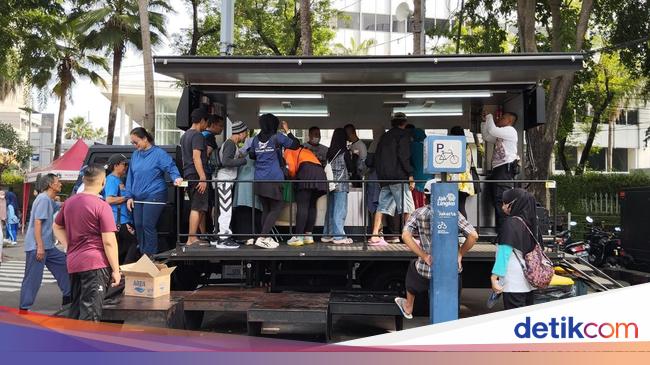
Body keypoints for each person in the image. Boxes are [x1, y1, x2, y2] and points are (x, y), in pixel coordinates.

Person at [394, 179, 479, 319]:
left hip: (427, 268)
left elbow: (405, 235)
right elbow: (473, 235)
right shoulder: (453, 214)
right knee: (452, 303)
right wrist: (459, 254)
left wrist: (424, 255)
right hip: (451, 268)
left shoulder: (418, 213)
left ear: (425, 196)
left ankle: (408, 306)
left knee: (412, 267)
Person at [53, 165, 120, 321]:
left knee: (76, 309)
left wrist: (68, 245)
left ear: (83, 180)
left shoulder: (69, 202)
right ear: (103, 182)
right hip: (95, 264)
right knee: (90, 313)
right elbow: (109, 241)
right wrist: (116, 270)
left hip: (74, 263)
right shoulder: (102, 206)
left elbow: (56, 226)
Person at [125, 127, 183, 256]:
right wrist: (128, 196)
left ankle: (150, 256)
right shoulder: (135, 155)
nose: (134, 145)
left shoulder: (159, 153)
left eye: (136, 142)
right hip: (138, 196)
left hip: (155, 194)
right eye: (132, 143)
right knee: (138, 225)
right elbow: (131, 176)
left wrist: (176, 177)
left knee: (147, 225)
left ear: (145, 139)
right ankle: (143, 254)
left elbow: (171, 166)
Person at [19, 174, 71, 312]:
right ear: (51, 185)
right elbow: (37, 223)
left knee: (65, 264)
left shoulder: (48, 199)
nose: (60, 184)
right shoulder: (43, 200)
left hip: (48, 246)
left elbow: (58, 205)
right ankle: (24, 308)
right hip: (38, 246)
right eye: (58, 182)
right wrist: (40, 247)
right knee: (33, 279)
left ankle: (68, 298)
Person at [249, 113, 299, 248]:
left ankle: (263, 237)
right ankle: (263, 237)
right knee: (277, 207)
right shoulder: (277, 137)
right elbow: (295, 145)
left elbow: (252, 155)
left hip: (259, 179)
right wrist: (288, 131)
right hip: (274, 178)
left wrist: (263, 153)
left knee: (266, 208)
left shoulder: (255, 140)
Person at [369, 113, 415, 245]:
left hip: (384, 179)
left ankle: (374, 235)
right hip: (399, 177)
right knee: (408, 208)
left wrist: (382, 176)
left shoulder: (384, 137)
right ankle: (408, 237)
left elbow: (377, 157)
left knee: (382, 207)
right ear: (404, 123)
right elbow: (403, 156)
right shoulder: (404, 135)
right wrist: (410, 174)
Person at [490, 188, 537, 310]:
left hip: (514, 281)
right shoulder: (531, 223)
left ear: (514, 203)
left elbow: (504, 253)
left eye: (505, 202)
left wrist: (494, 277)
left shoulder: (511, 223)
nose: (503, 206)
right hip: (531, 279)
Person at [212, 120, 249, 249]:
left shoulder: (230, 144)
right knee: (226, 209)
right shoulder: (230, 144)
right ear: (241, 133)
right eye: (246, 133)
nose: (246, 136)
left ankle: (218, 236)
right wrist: (242, 161)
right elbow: (227, 161)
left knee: (223, 208)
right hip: (224, 180)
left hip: (223, 180)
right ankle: (223, 239)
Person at [481, 112, 519, 232]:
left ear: (509, 121)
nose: (499, 119)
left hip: (505, 168)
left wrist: (489, 116)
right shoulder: (502, 135)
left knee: (501, 200)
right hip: (499, 169)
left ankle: (504, 232)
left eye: (502, 118)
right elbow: (487, 136)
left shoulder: (510, 130)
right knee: (497, 200)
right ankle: (501, 231)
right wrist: (484, 122)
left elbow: (492, 130)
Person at [285, 145, 327, 246]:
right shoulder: (306, 151)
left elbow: (290, 168)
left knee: (302, 205)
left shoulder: (289, 149)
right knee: (312, 205)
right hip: (320, 174)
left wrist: (291, 177)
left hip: (306, 171)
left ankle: (298, 237)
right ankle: (308, 235)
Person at [180, 108, 210, 245]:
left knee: (198, 206)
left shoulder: (184, 136)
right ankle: (191, 238)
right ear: (202, 120)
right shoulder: (198, 136)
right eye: (206, 122)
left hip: (188, 174)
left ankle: (199, 236)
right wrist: (202, 177)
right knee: (197, 207)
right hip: (197, 174)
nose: (207, 125)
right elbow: (196, 157)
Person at [103, 154, 139, 264]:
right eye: (124, 164)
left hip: (123, 220)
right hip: (119, 221)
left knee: (123, 247)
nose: (126, 167)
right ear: (116, 165)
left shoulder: (119, 180)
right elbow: (109, 199)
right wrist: (127, 197)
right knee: (133, 242)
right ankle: (124, 270)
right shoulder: (111, 180)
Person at [322, 128, 352, 244]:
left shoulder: (329, 152)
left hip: (330, 185)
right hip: (341, 185)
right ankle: (339, 237)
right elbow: (351, 168)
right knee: (340, 211)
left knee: (330, 210)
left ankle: (327, 235)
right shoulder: (344, 152)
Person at [203, 115, 225, 234]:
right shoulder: (209, 136)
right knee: (210, 204)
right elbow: (207, 153)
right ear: (212, 125)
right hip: (206, 173)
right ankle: (211, 230)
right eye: (220, 125)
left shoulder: (201, 134)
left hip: (199, 173)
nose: (222, 128)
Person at [449, 126, 476, 218]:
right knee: (461, 206)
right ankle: (463, 229)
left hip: (457, 180)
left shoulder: (456, 146)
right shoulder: (466, 145)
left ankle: (459, 229)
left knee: (456, 206)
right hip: (465, 181)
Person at [409, 127, 432, 209]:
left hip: (417, 179)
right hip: (429, 178)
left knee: (416, 204)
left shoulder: (412, 146)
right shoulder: (428, 146)